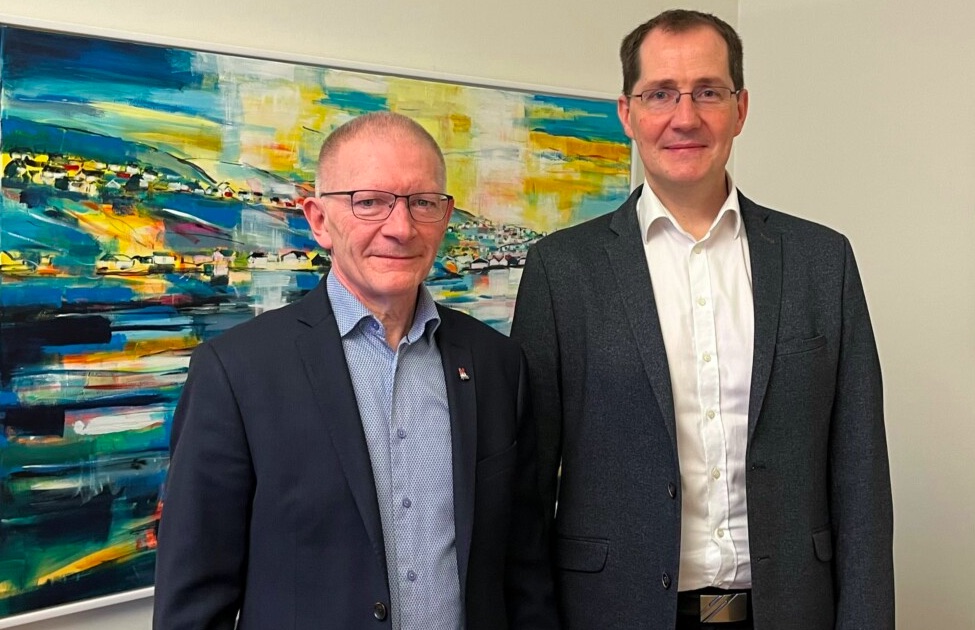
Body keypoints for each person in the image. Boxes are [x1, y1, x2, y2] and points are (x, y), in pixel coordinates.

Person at [511, 9, 893, 630]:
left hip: (791, 613)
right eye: (660, 93)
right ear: (627, 112)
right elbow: (526, 491)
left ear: (741, 109)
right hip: (613, 614)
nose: (684, 117)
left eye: (708, 92)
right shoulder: (561, 271)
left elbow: (862, 477)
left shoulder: (822, 262)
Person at [154, 111, 558, 630]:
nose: (401, 228)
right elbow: (192, 604)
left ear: (445, 216)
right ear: (319, 220)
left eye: (422, 203)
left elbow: (524, 573)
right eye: (369, 202)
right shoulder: (236, 372)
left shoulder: (497, 364)